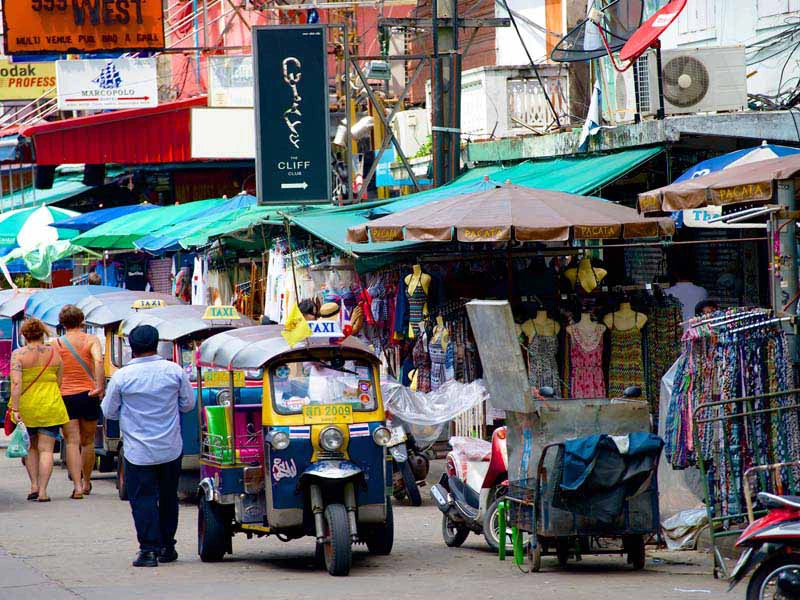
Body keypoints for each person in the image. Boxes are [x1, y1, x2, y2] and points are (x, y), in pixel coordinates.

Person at [101, 325, 195, 567]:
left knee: (143, 499)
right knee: (168, 497)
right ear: (157, 344)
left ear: (132, 347)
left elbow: (109, 411)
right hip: (170, 447)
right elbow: (188, 404)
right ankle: (167, 546)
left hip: (138, 452)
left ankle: (148, 550)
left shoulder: (122, 377)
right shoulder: (174, 371)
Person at [10, 318, 68, 502]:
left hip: (27, 406)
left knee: (31, 448)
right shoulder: (54, 353)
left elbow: (16, 383)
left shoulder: (18, 354)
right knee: (47, 450)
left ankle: (34, 484)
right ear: (42, 333)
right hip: (50, 403)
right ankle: (43, 491)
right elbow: (59, 380)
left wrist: (16, 408)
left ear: (24, 334)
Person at [54, 305, 105, 496]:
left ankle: (76, 486)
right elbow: (98, 362)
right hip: (88, 394)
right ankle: (87, 481)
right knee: (88, 441)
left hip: (65, 395)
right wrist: (99, 386)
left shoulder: (56, 344)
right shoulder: (91, 340)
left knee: (72, 441)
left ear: (62, 323)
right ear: (81, 320)